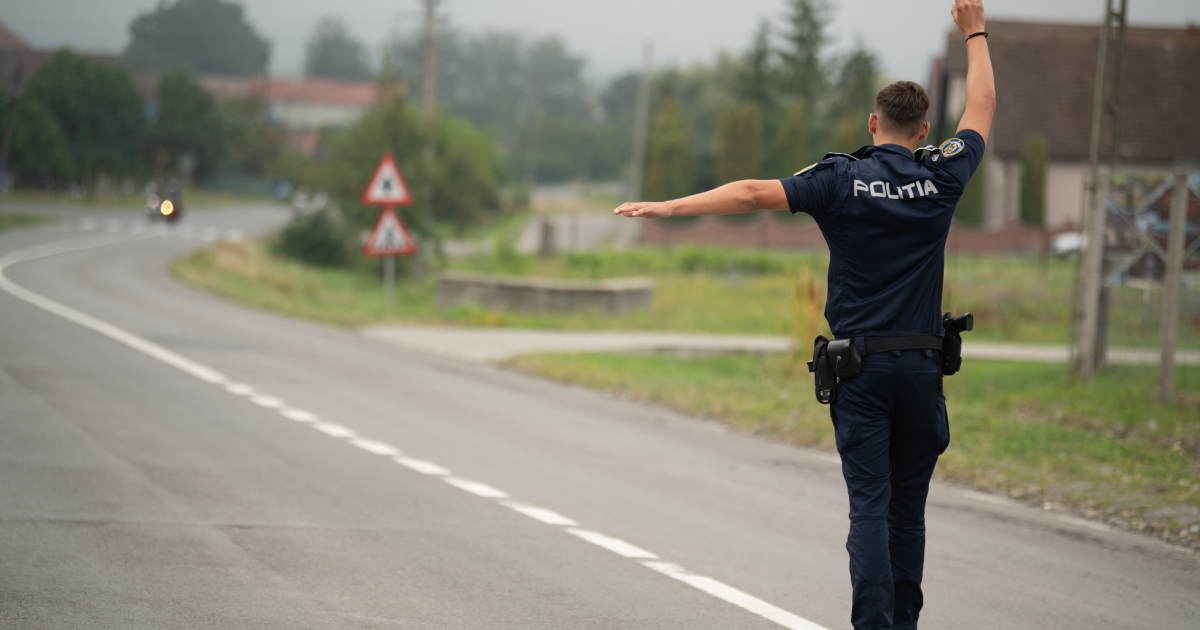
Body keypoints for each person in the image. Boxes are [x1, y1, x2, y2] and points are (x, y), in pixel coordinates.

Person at [613, 1, 994, 628]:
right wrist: (974, 31)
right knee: (907, 513)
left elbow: (750, 193)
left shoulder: (839, 179)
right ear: (923, 130)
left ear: (873, 122)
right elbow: (981, 105)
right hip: (923, 371)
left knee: (869, 507)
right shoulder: (941, 177)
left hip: (862, 373)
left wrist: (667, 207)